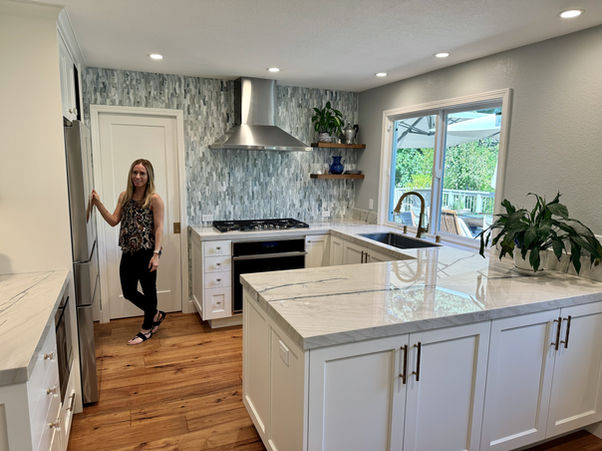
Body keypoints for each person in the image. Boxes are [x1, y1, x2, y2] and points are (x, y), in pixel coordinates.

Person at [92, 159, 166, 345]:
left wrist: (156, 254)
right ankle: (156, 314)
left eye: (142, 173)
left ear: (148, 176)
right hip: (128, 251)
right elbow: (113, 220)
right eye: (135, 172)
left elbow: (158, 228)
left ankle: (147, 328)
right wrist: (98, 204)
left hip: (147, 252)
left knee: (149, 291)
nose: (138, 177)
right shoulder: (124, 196)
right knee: (128, 291)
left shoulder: (154, 199)